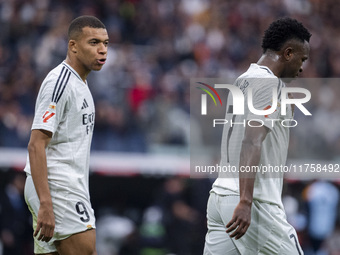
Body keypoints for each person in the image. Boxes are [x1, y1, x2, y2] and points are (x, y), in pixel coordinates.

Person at [203, 17, 311, 254]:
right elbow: (251, 139)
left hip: (220, 196)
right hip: (255, 203)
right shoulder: (269, 84)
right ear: (288, 53)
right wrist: (245, 201)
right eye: (302, 59)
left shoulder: (243, 80)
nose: (302, 67)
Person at [23, 15, 109, 255]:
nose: (102, 50)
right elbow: (35, 145)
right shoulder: (59, 83)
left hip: (61, 185)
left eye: (106, 43)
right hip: (57, 185)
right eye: (94, 42)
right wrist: (46, 203)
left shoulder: (81, 82)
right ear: (73, 46)